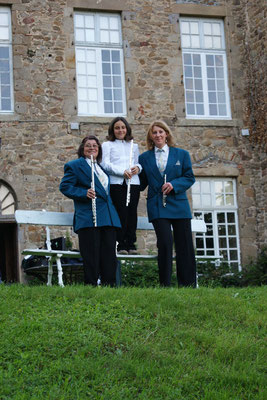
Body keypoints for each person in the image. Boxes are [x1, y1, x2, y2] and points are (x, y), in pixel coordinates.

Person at [139, 120, 196, 288]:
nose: (157, 135)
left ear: (167, 134)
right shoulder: (144, 158)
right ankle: (165, 284)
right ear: (150, 136)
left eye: (160, 132)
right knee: (164, 243)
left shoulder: (182, 154)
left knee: (184, 244)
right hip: (157, 206)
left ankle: (187, 284)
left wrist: (174, 185)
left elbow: (189, 177)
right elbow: (141, 183)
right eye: (154, 132)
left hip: (179, 205)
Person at [59, 135, 121, 286]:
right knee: (91, 255)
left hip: (108, 217)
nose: (92, 148)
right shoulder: (75, 166)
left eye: (95, 145)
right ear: (82, 149)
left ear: (99, 149)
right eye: (88, 145)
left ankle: (109, 286)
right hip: (89, 216)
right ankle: (91, 286)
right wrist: (83, 193)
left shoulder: (101, 167)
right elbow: (65, 187)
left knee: (109, 255)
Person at [101, 117, 142, 255]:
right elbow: (105, 164)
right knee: (121, 212)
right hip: (117, 183)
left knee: (132, 213)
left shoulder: (133, 145)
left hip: (133, 182)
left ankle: (131, 243)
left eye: (123, 127)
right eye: (117, 128)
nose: (120, 130)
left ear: (127, 129)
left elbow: (138, 162)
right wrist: (121, 172)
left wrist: (138, 168)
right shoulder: (107, 145)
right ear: (113, 130)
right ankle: (120, 244)